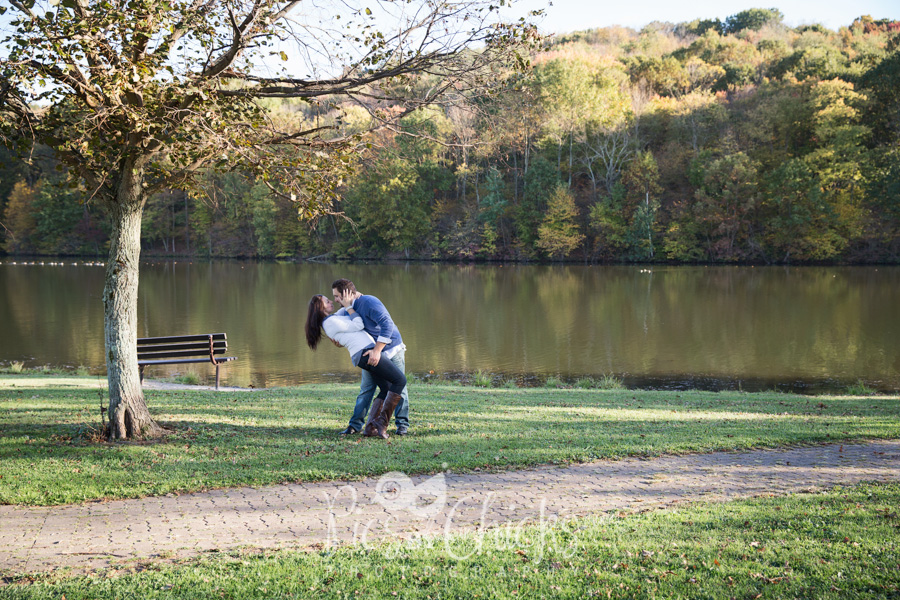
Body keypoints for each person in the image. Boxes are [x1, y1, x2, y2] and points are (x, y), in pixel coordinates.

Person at [305, 293, 406, 439]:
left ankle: (370, 427)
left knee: (387, 388)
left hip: (365, 352)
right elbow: (358, 324)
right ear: (319, 307)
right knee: (400, 381)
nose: (332, 301)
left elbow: (346, 310)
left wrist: (353, 298)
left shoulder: (333, 318)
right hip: (366, 353)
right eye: (327, 301)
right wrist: (348, 307)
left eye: (334, 297)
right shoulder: (330, 322)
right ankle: (381, 423)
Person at [331, 278, 409, 436]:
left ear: (347, 294)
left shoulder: (369, 302)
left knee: (399, 386)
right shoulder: (347, 310)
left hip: (391, 348)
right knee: (366, 389)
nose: (336, 300)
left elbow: (387, 324)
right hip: (371, 351)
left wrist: (377, 350)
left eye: (337, 296)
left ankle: (402, 424)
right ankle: (355, 425)